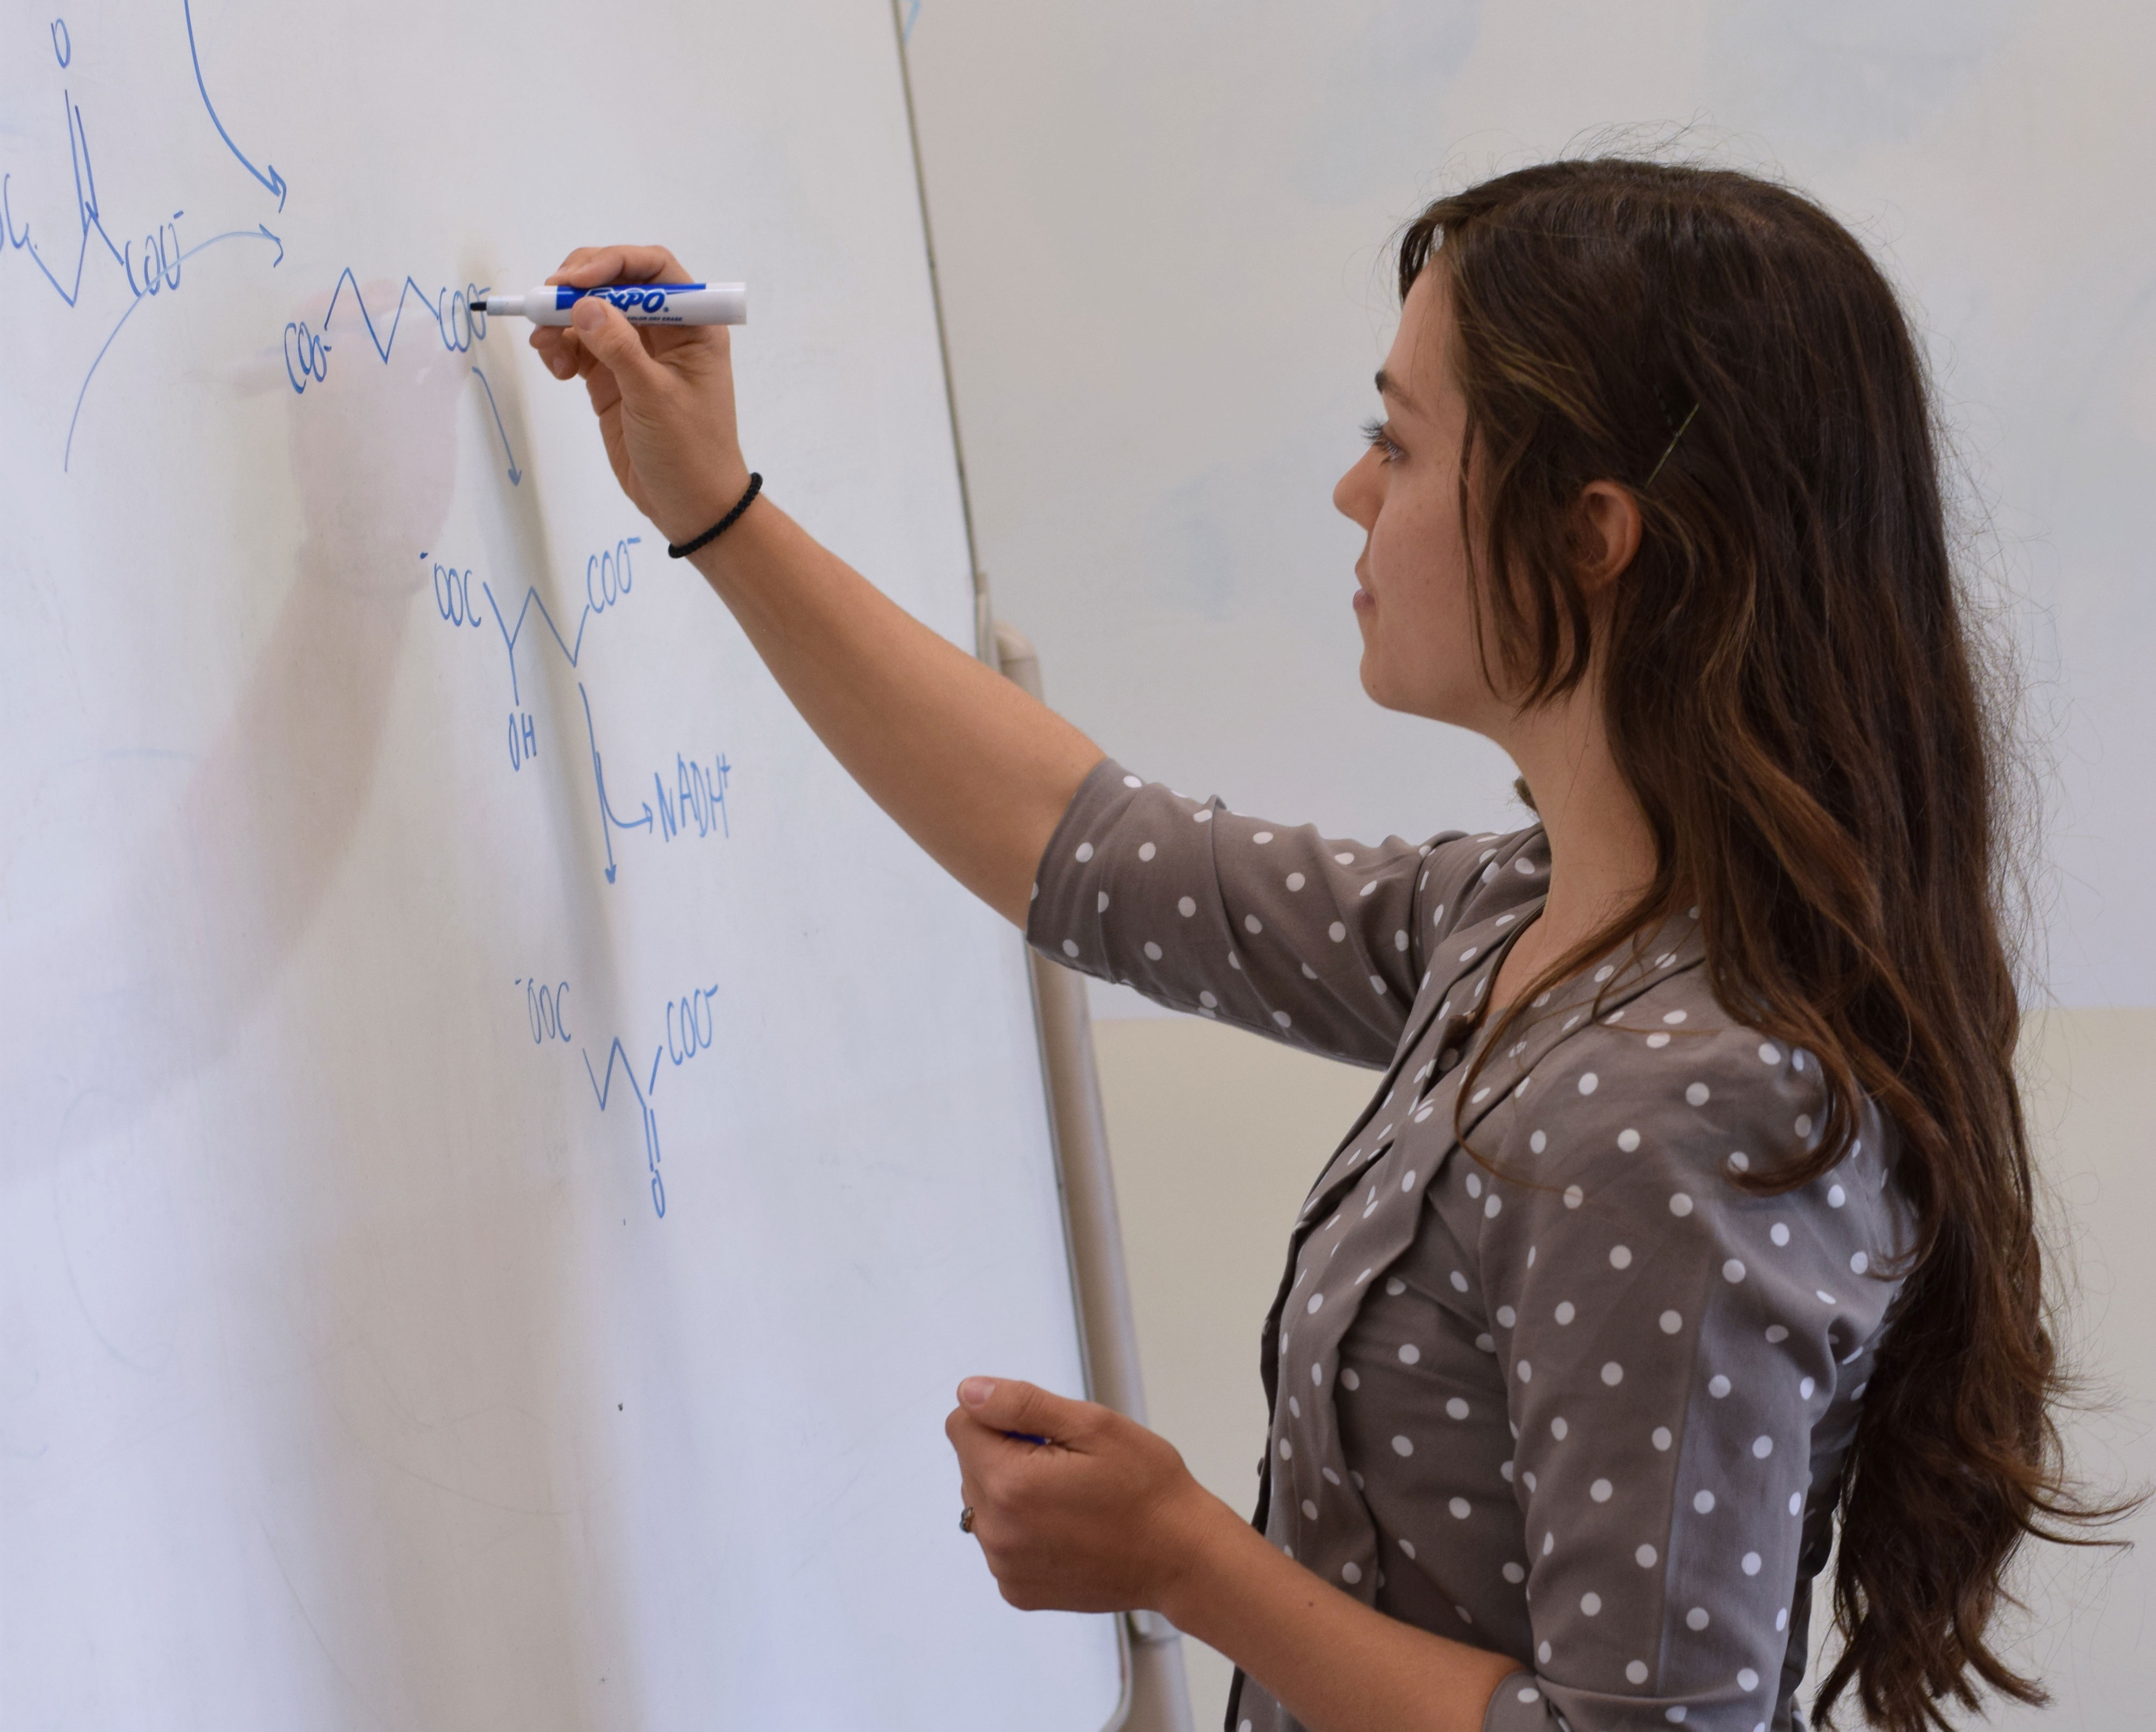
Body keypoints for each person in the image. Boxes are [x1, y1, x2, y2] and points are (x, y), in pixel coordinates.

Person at [531, 158, 2117, 1732]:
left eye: (1399, 442)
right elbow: (1078, 852)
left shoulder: (1681, 1105)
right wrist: (716, 510)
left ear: (1592, 539)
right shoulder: (1519, 921)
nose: (1355, 491)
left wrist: (1184, 1559)